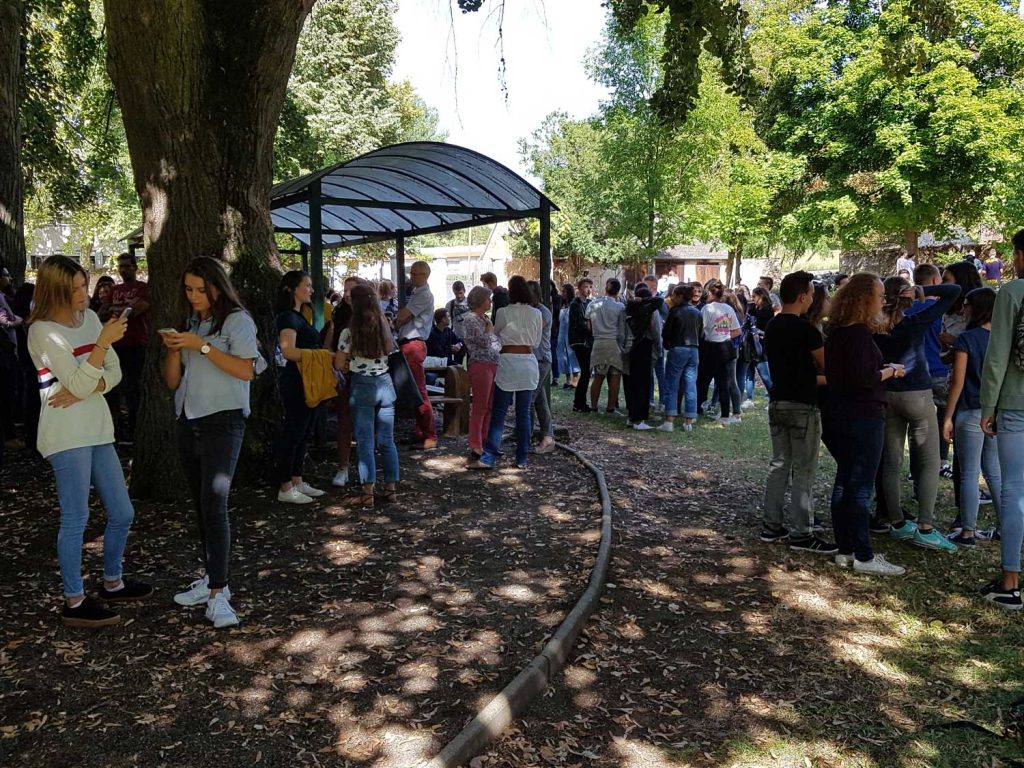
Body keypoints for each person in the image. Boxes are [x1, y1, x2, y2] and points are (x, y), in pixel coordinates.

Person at [27, 255, 152, 627]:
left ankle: (112, 582)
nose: (86, 293)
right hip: (65, 434)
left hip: (97, 428)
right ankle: (74, 600)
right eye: (77, 288)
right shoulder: (42, 331)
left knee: (123, 511)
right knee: (76, 517)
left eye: (85, 285)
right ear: (57, 292)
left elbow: (111, 375)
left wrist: (86, 383)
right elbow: (93, 373)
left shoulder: (92, 320)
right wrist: (98, 350)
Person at [160, 256, 258, 628]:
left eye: (202, 289)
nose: (195, 296)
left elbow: (245, 370)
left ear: (218, 286)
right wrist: (173, 351)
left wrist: (201, 346)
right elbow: (172, 381)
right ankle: (212, 578)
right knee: (202, 507)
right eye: (189, 289)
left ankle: (219, 593)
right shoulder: (192, 322)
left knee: (215, 505)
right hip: (189, 420)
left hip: (224, 421)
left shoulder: (237, 321)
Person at [826, 273, 907, 575]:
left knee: (845, 481)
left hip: (840, 413)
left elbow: (848, 375)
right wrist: (891, 372)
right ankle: (863, 554)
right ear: (864, 298)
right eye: (880, 294)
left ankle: (845, 549)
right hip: (863, 415)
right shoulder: (857, 333)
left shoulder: (836, 330)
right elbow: (863, 379)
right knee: (859, 486)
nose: (883, 300)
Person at [874, 275, 961, 551]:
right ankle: (925, 525)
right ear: (905, 296)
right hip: (917, 393)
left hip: (888, 392)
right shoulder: (915, 320)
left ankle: (897, 522)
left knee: (891, 461)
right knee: (929, 461)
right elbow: (954, 291)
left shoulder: (874, 326)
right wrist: (922, 290)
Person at [759, 271, 835, 553]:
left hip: (778, 402)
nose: (813, 300)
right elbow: (827, 365)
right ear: (803, 296)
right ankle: (802, 533)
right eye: (812, 295)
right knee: (803, 470)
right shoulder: (806, 330)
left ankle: (771, 525)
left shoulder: (773, 325)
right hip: (803, 405)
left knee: (779, 465)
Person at [978, 228, 1024, 609]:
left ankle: (1010, 581)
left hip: (1015, 404)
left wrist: (987, 407)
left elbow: (997, 358)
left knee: (1014, 491)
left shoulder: (1011, 292)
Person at [942, 287, 999, 547]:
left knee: (968, 473)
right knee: (994, 473)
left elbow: (958, 381)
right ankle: (1003, 525)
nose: (963, 308)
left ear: (976, 307)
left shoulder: (967, 338)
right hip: (995, 413)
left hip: (970, 412)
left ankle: (968, 531)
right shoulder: (1001, 338)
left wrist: (948, 416)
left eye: (966, 304)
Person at [335, 284, 400, 509]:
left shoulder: (348, 331)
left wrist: (348, 365)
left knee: (364, 441)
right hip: (385, 383)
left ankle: (368, 492)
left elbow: (338, 362)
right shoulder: (385, 326)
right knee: (387, 440)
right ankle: (391, 489)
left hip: (361, 385)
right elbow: (392, 352)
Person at [469, 276, 542, 470]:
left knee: (499, 412)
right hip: (527, 361)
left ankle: (489, 456)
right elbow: (536, 341)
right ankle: (522, 457)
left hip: (508, 361)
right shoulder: (536, 313)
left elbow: (496, 336)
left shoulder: (502, 312)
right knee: (524, 412)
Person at [273, 270, 326, 504]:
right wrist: (322, 355)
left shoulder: (299, 316)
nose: (311, 290)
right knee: (293, 433)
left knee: (304, 432)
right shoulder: (288, 317)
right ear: (294, 289)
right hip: (296, 381)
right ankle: (285, 486)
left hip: (309, 380)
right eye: (307, 285)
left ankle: (296, 479)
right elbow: (288, 351)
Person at [100, 253, 150, 444]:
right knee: (113, 390)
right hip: (115, 345)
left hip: (136, 344)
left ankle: (134, 431)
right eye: (120, 266)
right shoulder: (115, 289)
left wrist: (118, 309)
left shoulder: (143, 288)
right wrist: (124, 308)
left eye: (127, 266)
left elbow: (137, 310)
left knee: (133, 390)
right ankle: (116, 431)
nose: (123, 270)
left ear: (135, 267)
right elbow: (103, 312)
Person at [395, 261, 437, 450]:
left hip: (413, 344)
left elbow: (403, 316)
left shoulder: (423, 295)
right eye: (411, 273)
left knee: (419, 391)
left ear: (425, 275)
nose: (411, 277)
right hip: (409, 343)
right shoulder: (417, 293)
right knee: (414, 391)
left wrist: (397, 319)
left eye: (415, 274)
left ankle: (430, 435)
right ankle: (420, 431)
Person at [462, 286, 500, 459]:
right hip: (480, 364)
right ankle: (475, 444)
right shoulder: (470, 320)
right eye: (488, 299)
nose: (490, 302)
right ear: (479, 300)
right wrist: (489, 332)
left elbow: (497, 344)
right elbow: (483, 341)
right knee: (480, 405)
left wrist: (491, 334)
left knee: (490, 406)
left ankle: (485, 440)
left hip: (493, 363)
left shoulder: (485, 319)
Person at [330, 276, 360, 487]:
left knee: (367, 424)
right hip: (346, 374)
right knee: (344, 423)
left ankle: (366, 468)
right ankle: (343, 467)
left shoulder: (372, 315)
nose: (348, 294)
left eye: (352, 290)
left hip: (367, 376)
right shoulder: (339, 315)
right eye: (345, 290)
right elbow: (331, 345)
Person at [659, 283, 701, 432]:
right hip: (694, 349)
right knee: (690, 384)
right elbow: (701, 332)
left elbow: (666, 332)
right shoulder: (697, 312)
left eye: (675, 295)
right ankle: (689, 419)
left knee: (672, 383)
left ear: (681, 296)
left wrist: (667, 345)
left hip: (678, 348)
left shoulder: (675, 311)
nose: (672, 298)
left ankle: (669, 419)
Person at [701, 281, 742, 426]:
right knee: (724, 383)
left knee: (703, 380)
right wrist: (725, 335)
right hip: (727, 347)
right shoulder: (728, 309)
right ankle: (725, 414)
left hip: (711, 347)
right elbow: (737, 330)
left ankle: (699, 408)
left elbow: (702, 328)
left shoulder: (707, 309)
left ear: (710, 293)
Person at [623, 286, 663, 430]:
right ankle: (639, 420)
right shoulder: (651, 311)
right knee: (643, 385)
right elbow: (656, 332)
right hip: (645, 347)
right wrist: (659, 350)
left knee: (632, 384)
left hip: (630, 348)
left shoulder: (628, 310)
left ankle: (631, 417)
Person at [586, 278, 626, 414]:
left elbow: (588, 325)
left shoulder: (593, 304)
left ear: (605, 288)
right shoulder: (620, 307)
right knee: (615, 375)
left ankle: (593, 406)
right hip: (613, 342)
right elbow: (622, 328)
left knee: (598, 376)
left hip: (598, 342)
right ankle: (610, 407)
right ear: (618, 290)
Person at [527, 280, 556, 453]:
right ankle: (548, 436)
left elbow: (532, 332)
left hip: (541, 359)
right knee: (540, 401)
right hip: (532, 359)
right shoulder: (531, 311)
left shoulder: (543, 312)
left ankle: (527, 437)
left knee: (528, 400)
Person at [568, 278, 594, 412]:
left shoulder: (590, 303)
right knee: (585, 371)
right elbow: (581, 323)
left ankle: (580, 401)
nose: (588, 289)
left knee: (587, 371)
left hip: (588, 341)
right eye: (585, 287)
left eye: (590, 287)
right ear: (579, 288)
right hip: (579, 341)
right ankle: (579, 402)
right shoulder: (575, 304)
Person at [556, 283, 580, 389]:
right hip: (561, 333)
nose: (562, 293)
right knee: (563, 356)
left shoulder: (574, 304)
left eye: (564, 291)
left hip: (570, 334)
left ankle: (575, 380)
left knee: (572, 355)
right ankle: (568, 380)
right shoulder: (562, 304)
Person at [446, 281, 471, 352]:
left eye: (460, 293)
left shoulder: (471, 303)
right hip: (457, 338)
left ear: (464, 291)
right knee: (457, 362)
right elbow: (446, 321)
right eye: (456, 294)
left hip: (470, 338)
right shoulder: (450, 305)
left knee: (471, 362)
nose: (459, 296)